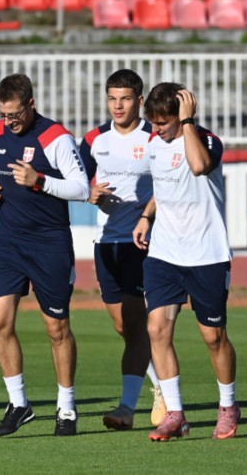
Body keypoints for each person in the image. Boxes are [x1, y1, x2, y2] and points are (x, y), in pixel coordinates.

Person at [0, 74, 91, 437]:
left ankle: (66, 407)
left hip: (49, 242)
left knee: (56, 327)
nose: (8, 121)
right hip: (8, 240)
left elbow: (82, 188)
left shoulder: (56, 137)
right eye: (3, 114)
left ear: (30, 104)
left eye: (14, 114)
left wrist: (39, 181)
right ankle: (19, 404)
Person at [132, 83, 240, 441]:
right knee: (157, 330)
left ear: (182, 115)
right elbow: (165, 186)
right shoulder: (154, 143)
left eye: (163, 122)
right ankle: (175, 414)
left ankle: (228, 406)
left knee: (214, 337)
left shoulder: (207, 141)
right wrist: (147, 215)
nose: (156, 128)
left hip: (207, 255)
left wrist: (189, 122)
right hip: (164, 255)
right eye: (153, 121)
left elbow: (197, 166)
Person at [79, 69, 166, 430]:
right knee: (123, 326)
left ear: (140, 101)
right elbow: (76, 179)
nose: (118, 105)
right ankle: (161, 385)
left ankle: (129, 407)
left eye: (125, 98)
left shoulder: (155, 137)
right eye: (112, 98)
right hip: (106, 243)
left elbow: (169, 183)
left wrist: (147, 215)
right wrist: (88, 192)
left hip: (143, 242)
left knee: (133, 321)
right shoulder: (94, 139)